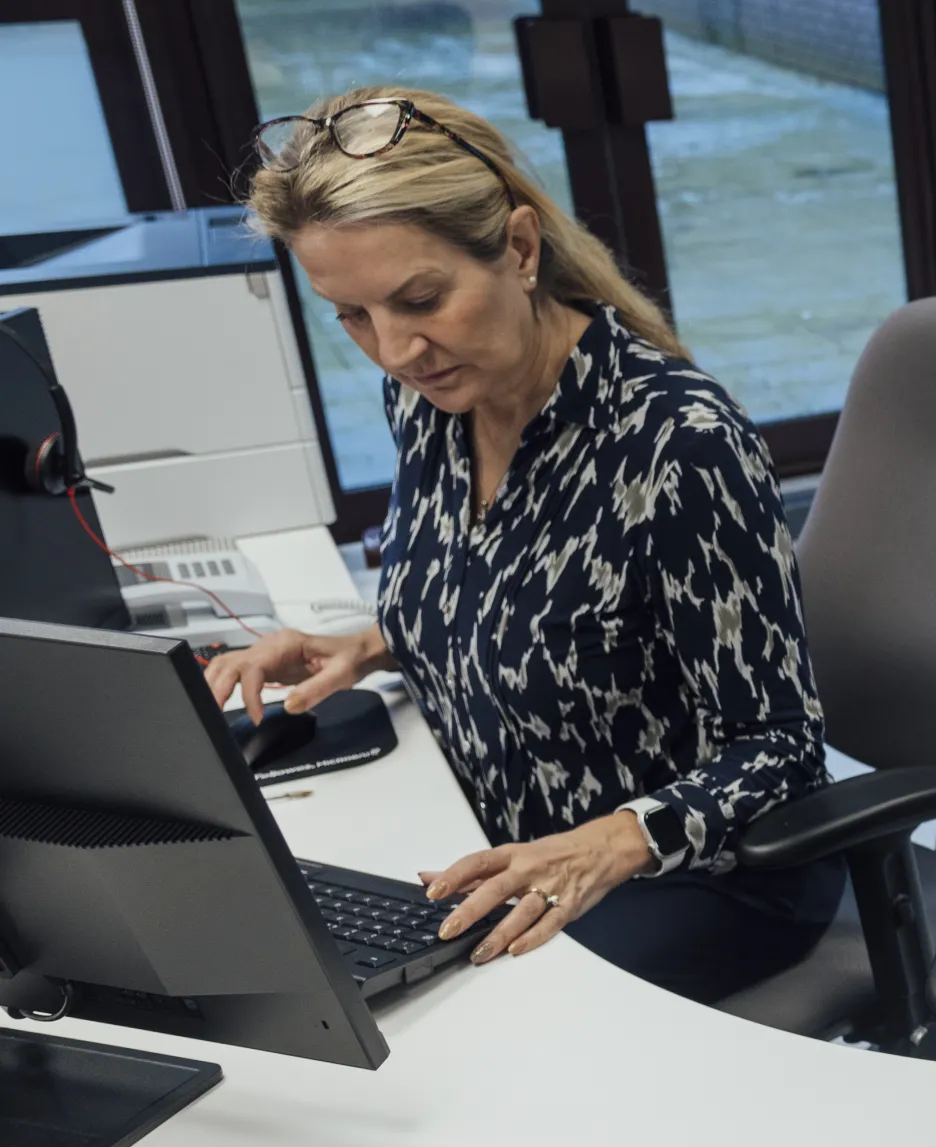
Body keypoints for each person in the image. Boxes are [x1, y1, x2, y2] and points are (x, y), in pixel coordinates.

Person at [208, 88, 838, 1004]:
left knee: (451, 1021)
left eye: (420, 299)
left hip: (697, 877)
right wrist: (378, 642)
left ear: (520, 247)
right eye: (351, 316)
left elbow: (782, 746)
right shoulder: (432, 400)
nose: (393, 350)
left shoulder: (677, 445)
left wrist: (608, 843)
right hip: (507, 837)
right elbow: (534, 593)